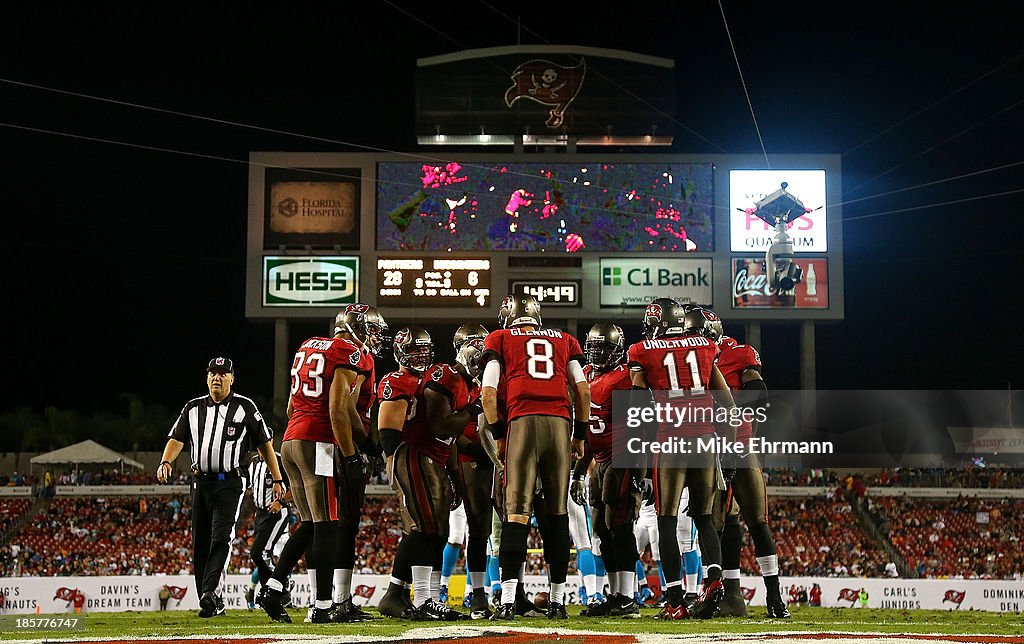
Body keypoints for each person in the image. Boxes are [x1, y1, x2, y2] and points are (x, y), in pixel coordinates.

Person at [480, 295, 591, 620]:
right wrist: (580, 435)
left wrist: (499, 435)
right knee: (557, 515)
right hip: (559, 424)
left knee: (516, 513)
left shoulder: (500, 338)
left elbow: (488, 393)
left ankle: (508, 600)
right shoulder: (564, 340)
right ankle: (557, 601)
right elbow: (583, 391)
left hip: (522, 422)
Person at [259, 317, 373, 624]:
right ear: (356, 330)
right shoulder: (347, 351)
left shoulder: (308, 345)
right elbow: (338, 409)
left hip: (290, 439)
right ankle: (323, 607)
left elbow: (289, 408)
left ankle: (272, 587)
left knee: (310, 523)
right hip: (317, 442)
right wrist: (350, 456)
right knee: (326, 523)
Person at [627, 303, 735, 620]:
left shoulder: (642, 350)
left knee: (667, 520)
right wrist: (727, 449)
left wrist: (637, 457)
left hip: (671, 438)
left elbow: (636, 404)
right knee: (703, 517)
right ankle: (714, 580)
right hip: (704, 437)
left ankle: (675, 600)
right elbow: (726, 400)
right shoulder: (705, 345)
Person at [157, 357, 283, 619]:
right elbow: (176, 437)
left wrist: (278, 477)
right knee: (199, 542)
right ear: (206, 378)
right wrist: (166, 461)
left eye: (222, 374)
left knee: (220, 537)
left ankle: (211, 592)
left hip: (230, 483)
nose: (216, 377)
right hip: (200, 482)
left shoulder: (245, 407)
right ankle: (208, 597)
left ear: (231, 379)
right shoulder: (192, 408)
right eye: (212, 373)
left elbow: (264, 443)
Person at [376, 326, 472, 621]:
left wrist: (454, 475)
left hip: (435, 460)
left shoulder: (438, 380)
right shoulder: (398, 380)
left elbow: (451, 433)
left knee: (435, 531)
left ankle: (414, 595)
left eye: (424, 351)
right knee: (423, 527)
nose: (419, 356)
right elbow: (388, 428)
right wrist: (393, 461)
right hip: (412, 457)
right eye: (413, 350)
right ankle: (422, 598)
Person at [699, 313, 789, 620]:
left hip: (739, 447)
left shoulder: (739, 353)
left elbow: (759, 394)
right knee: (714, 523)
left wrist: (729, 413)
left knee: (757, 520)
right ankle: (723, 594)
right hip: (707, 451)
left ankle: (775, 596)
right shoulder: (689, 360)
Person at [574, 322, 642, 619]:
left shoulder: (624, 379)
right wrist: (578, 471)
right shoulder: (586, 376)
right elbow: (587, 432)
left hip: (621, 456)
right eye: (594, 347)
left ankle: (628, 598)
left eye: (605, 348)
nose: (598, 354)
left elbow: (643, 426)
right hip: (599, 460)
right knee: (602, 529)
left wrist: (643, 473)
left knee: (619, 526)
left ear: (617, 350)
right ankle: (615, 595)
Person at [244, 450, 292, 610]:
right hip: (260, 513)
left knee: (260, 553)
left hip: (276, 513)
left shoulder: (279, 460)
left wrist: (281, 502)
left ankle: (277, 585)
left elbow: (294, 485)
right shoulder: (253, 462)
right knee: (260, 554)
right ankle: (273, 592)